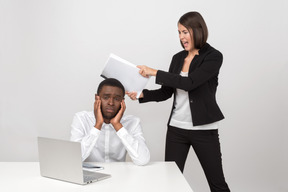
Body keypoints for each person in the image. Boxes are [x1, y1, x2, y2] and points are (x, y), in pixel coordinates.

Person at [126, 11, 230, 191]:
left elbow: (190, 83)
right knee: (171, 183)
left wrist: (154, 72)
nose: (181, 37)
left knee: (217, 184)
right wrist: (142, 95)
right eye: (179, 32)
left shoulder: (213, 56)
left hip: (204, 131)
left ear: (198, 30)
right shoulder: (177, 58)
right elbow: (167, 92)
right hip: (176, 130)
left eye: (185, 32)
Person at [70, 78, 150, 166]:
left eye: (116, 99)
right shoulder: (82, 118)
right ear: (97, 98)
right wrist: (98, 125)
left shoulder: (133, 122)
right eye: (106, 97)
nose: (111, 103)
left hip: (119, 175)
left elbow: (143, 160)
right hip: (90, 175)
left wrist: (117, 125)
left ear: (122, 102)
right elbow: (74, 158)